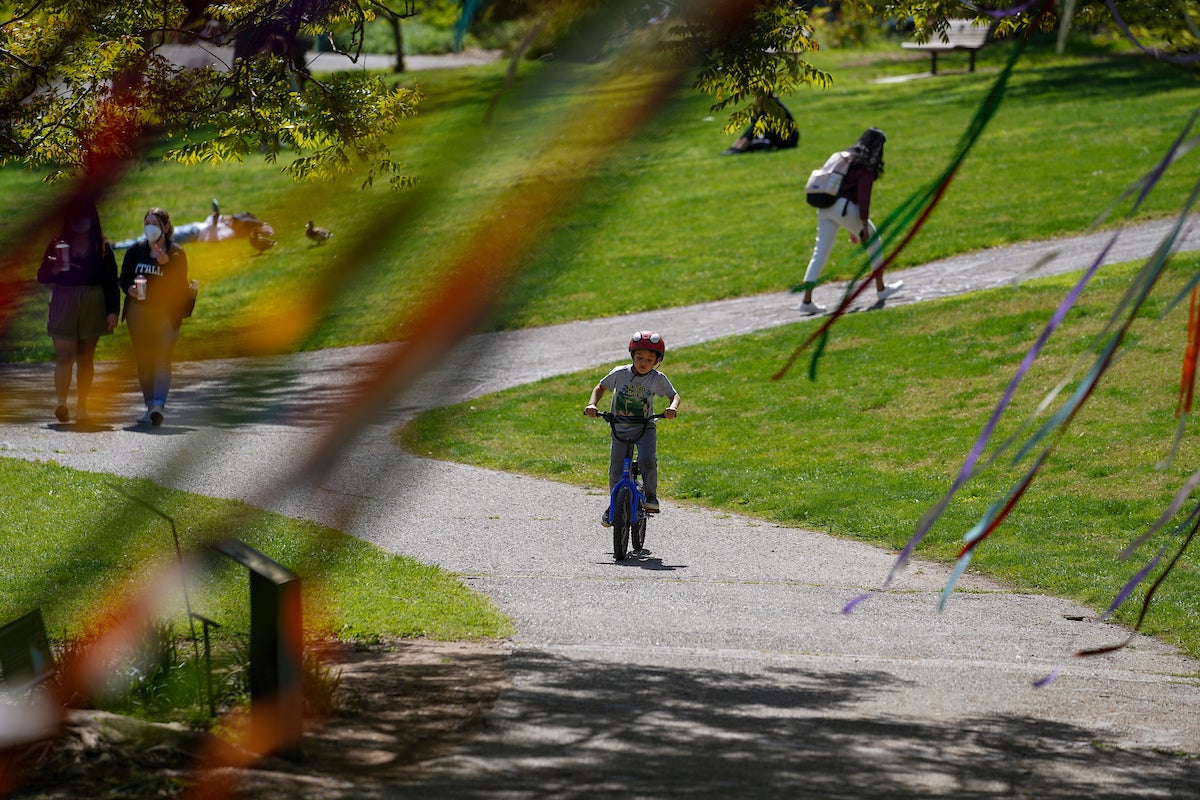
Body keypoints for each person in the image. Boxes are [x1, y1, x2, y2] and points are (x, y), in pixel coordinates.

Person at [797, 127, 903, 315]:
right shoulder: (866, 164)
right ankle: (881, 289)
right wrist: (862, 226)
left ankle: (807, 301)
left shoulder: (843, 156)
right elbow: (863, 197)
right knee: (874, 241)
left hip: (825, 207)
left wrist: (853, 229)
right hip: (844, 208)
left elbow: (840, 188)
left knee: (819, 253)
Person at [35, 197, 120, 423]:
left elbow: (111, 280)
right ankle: (61, 403)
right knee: (64, 355)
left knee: (85, 358)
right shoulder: (57, 244)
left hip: (93, 302)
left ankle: (83, 406)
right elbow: (41, 276)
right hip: (64, 300)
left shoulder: (101, 246)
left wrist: (113, 311)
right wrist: (53, 269)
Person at [584, 331, 681, 522]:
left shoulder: (657, 378)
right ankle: (615, 504)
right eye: (639, 358)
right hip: (619, 427)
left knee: (646, 460)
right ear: (632, 356)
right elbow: (600, 388)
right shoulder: (619, 374)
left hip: (645, 428)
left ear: (657, 361)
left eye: (649, 359)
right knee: (616, 470)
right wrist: (592, 404)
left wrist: (671, 407)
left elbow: (674, 395)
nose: (643, 363)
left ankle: (651, 496)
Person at [119, 208, 190, 427]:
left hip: (166, 314)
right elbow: (123, 278)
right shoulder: (135, 251)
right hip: (138, 313)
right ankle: (150, 406)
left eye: (155, 223)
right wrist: (129, 289)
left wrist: (167, 265)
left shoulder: (176, 253)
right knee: (144, 359)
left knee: (161, 358)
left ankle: (159, 405)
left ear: (166, 227)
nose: (150, 227)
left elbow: (181, 288)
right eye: (147, 222)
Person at [722, 94, 799, 155]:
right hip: (787, 139)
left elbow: (755, 124)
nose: (756, 99)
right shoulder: (772, 103)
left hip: (787, 141)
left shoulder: (770, 107)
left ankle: (740, 145)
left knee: (758, 130)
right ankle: (740, 144)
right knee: (756, 135)